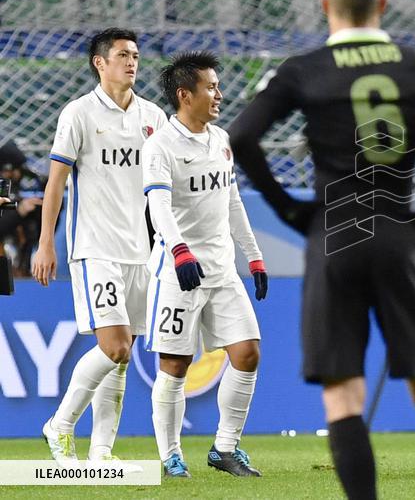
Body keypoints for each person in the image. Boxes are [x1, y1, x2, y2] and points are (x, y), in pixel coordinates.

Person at [228, 0, 415, 500]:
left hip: (333, 237)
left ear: (324, 4)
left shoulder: (303, 70)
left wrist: (291, 210)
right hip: (397, 233)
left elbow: (239, 137)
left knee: (343, 396)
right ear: (382, 3)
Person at [32, 28, 168, 467]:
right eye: (123, 55)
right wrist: (45, 244)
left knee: (121, 358)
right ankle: (60, 424)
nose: (131, 62)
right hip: (95, 248)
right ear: (100, 62)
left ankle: (102, 453)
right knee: (115, 347)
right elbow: (56, 183)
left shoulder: (153, 116)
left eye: (136, 55)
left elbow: (162, 185)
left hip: (141, 251)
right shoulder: (79, 113)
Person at [142, 52, 268, 478]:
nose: (219, 94)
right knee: (175, 365)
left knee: (247, 353)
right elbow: (158, 205)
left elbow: (232, 202)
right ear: (185, 95)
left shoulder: (221, 140)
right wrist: (179, 250)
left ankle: (225, 448)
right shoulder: (160, 145)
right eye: (211, 87)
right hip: (178, 273)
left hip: (221, 271)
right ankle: (170, 456)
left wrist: (253, 256)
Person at [0, 140, 44, 275]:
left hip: (24, 258)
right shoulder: (3, 188)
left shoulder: (20, 187)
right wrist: (19, 211)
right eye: (15, 169)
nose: (19, 174)